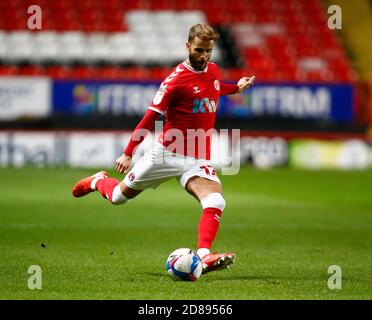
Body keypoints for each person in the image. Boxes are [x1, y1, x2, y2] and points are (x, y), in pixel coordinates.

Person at [72, 24, 255, 274]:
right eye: (199, 50)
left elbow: (213, 88)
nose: (204, 57)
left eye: (208, 51)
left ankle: (204, 255)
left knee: (216, 200)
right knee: (118, 198)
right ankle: (98, 181)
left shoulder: (212, 69)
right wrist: (128, 152)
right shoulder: (175, 80)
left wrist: (236, 88)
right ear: (187, 46)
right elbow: (149, 118)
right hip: (167, 154)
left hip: (197, 157)